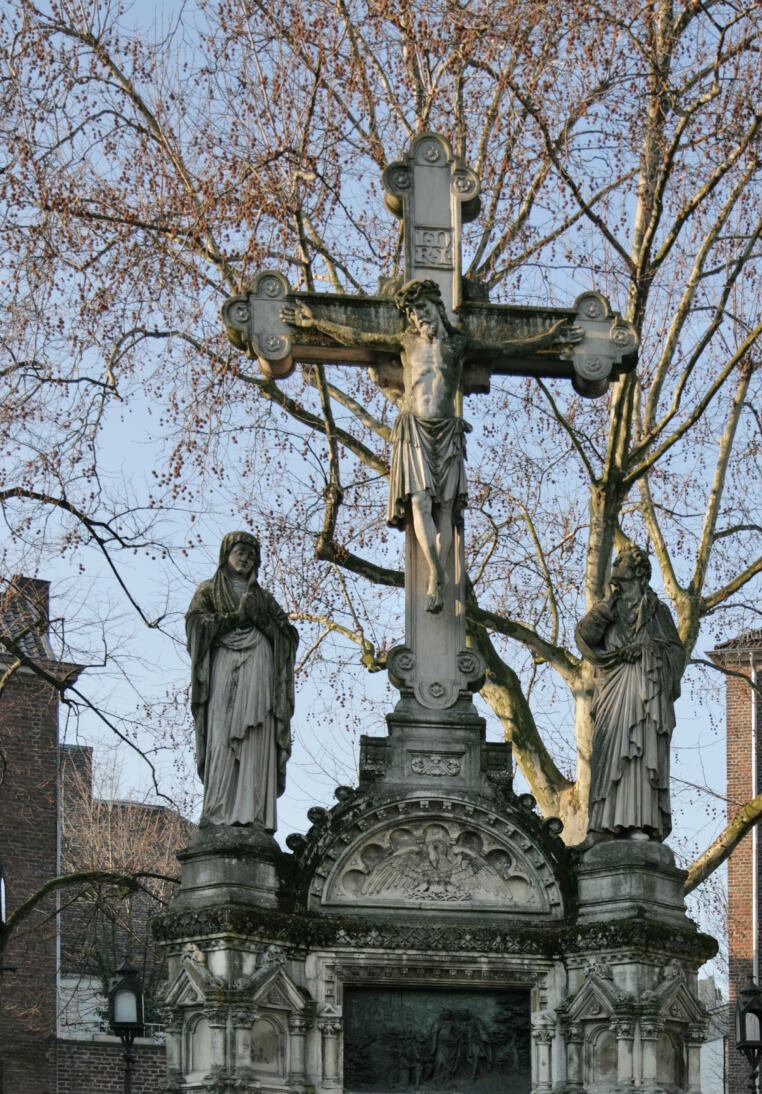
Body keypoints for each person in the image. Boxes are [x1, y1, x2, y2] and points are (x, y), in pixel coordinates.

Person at [286, 280, 581, 613]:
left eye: (422, 310)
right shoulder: (406, 342)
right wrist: (314, 324)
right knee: (420, 502)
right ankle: (436, 574)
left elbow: (511, 347)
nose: (417, 319)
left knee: (446, 509)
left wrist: (552, 338)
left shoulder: (458, 345)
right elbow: (356, 337)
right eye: (412, 315)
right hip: (414, 430)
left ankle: (438, 578)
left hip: (447, 433)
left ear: (436, 309)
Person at [186, 531, 298, 831]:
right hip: (223, 665)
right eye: (239, 551)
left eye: (251, 554)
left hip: (259, 668)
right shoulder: (208, 591)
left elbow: (288, 637)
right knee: (221, 734)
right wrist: (235, 617)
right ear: (226, 555)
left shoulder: (264, 599)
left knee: (255, 736)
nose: (245, 557)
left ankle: (253, 814)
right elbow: (195, 628)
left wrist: (260, 620)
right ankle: (217, 810)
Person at [575, 543, 685, 842]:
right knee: (608, 751)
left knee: (640, 756)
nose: (615, 564)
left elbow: (676, 652)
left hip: (645, 691)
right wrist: (603, 612)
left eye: (621, 560)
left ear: (638, 571)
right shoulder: (608, 607)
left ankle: (639, 822)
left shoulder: (657, 611)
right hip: (612, 691)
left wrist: (648, 652)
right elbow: (584, 638)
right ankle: (602, 826)